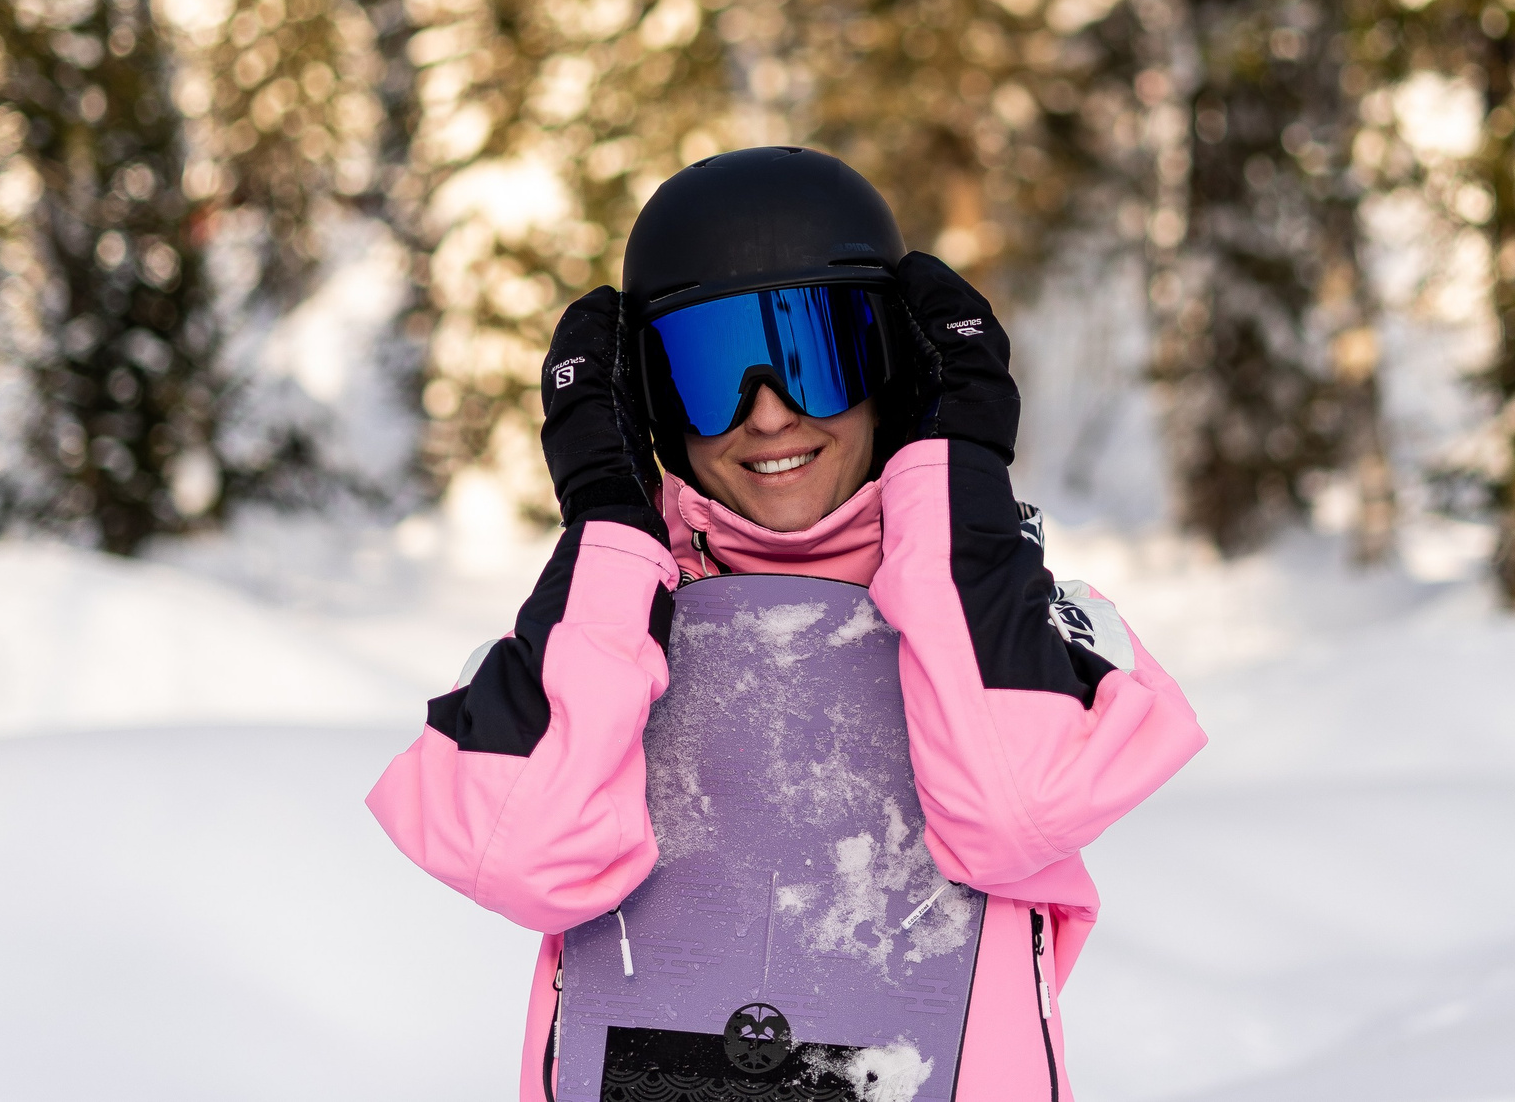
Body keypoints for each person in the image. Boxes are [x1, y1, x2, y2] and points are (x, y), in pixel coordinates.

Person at [368, 146, 1205, 1099]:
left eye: (816, 356)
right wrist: (607, 517)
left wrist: (959, 485)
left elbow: (1013, 812)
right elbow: (525, 855)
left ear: (891, 368)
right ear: (648, 401)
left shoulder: (1033, 627)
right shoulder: (594, 635)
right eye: (710, 367)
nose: (767, 413)